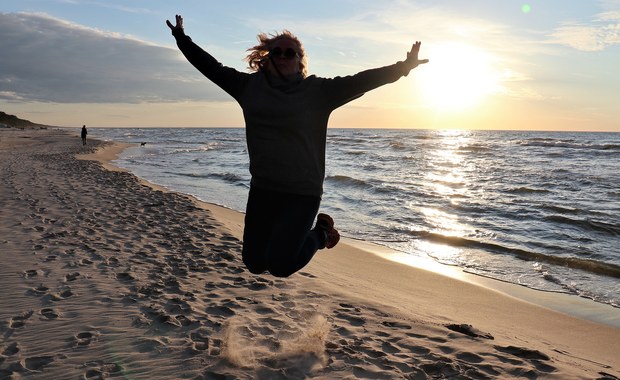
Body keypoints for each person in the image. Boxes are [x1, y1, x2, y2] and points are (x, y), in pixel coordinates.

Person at [166, 15, 428, 278]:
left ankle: (322, 234)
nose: (282, 55)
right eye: (276, 51)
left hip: (302, 192)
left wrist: (403, 67)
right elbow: (211, 67)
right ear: (267, 56)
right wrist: (181, 38)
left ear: (299, 60)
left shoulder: (318, 92)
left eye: (290, 52)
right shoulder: (247, 87)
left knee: (280, 265)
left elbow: (361, 80)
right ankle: (313, 235)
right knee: (255, 263)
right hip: (263, 188)